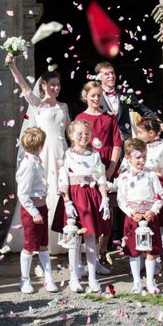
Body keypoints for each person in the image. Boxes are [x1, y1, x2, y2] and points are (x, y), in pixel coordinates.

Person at [5, 54, 70, 254]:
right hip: (44, 153)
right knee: (44, 191)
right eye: (52, 85)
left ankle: (61, 238)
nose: (55, 88)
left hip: (62, 153)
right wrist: (12, 66)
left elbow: (69, 129)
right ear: (43, 86)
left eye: (58, 85)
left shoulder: (64, 106)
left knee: (62, 191)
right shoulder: (38, 105)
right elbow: (24, 86)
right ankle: (40, 238)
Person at [53, 120, 110, 293]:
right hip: (75, 198)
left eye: (87, 133)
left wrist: (105, 198)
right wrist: (67, 201)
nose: (84, 136)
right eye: (80, 133)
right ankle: (74, 278)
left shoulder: (95, 155)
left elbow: (100, 178)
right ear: (71, 135)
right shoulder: (67, 155)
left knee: (91, 239)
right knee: (73, 240)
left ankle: (92, 277)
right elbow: (63, 179)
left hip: (91, 197)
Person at [76, 80, 122, 261]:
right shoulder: (80, 117)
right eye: (93, 95)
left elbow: (117, 144)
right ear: (85, 96)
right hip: (88, 166)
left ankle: (103, 249)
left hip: (108, 164)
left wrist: (111, 168)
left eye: (98, 95)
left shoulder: (109, 117)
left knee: (108, 208)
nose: (96, 98)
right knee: (90, 206)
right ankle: (90, 249)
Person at [117, 138, 163, 294]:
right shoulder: (124, 177)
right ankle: (137, 281)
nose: (142, 160)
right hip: (133, 218)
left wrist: (154, 210)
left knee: (150, 250)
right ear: (128, 158)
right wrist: (132, 213)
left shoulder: (151, 175)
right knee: (134, 250)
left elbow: (159, 194)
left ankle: (150, 282)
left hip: (149, 216)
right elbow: (121, 199)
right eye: (138, 157)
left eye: (144, 157)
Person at [15, 126, 58, 294]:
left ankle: (48, 278)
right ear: (40, 145)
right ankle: (24, 279)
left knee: (43, 244)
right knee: (29, 246)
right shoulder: (28, 165)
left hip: (42, 207)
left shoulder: (36, 160)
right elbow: (23, 194)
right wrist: (34, 213)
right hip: (33, 211)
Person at [95, 61, 163, 140]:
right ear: (100, 77)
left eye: (112, 73)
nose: (111, 76)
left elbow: (144, 110)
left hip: (126, 139)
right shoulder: (95, 95)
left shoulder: (125, 94)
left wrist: (161, 125)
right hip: (105, 139)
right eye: (107, 74)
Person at [135, 116, 163, 259]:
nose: (138, 136)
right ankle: (145, 243)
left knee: (159, 215)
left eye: (141, 133)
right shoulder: (139, 147)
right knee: (145, 214)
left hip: (158, 184)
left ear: (152, 133)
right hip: (143, 184)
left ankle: (161, 245)